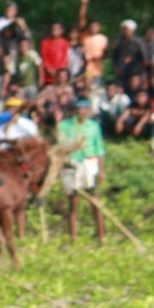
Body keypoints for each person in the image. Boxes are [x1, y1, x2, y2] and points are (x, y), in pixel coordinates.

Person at [57, 96, 107, 241]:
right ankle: (73, 237)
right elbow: (61, 146)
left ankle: (101, 236)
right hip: (72, 164)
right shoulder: (65, 125)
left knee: (94, 200)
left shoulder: (93, 126)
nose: (81, 112)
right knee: (73, 201)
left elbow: (100, 149)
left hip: (89, 163)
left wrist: (102, 170)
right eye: (79, 109)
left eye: (84, 109)